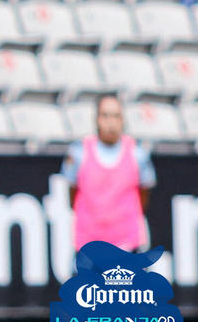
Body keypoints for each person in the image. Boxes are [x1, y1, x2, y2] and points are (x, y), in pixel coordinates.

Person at [62, 92, 155, 254]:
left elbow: (144, 194)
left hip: (126, 243)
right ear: (97, 119)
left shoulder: (137, 153)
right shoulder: (79, 153)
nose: (110, 123)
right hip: (89, 243)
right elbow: (72, 193)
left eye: (116, 116)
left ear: (122, 120)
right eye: (105, 116)